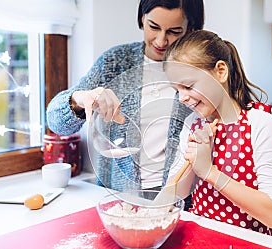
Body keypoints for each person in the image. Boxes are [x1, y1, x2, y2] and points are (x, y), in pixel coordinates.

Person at [46, 0, 205, 194]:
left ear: (190, 28)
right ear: (142, 19)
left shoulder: (200, 70)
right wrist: (79, 99)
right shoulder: (114, 62)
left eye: (174, 32)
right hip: (119, 196)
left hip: (181, 200)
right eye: (153, 27)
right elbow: (55, 123)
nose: (161, 41)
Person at [163, 30, 272, 233]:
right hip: (201, 237)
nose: (181, 98)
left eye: (187, 86)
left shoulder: (261, 124)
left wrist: (210, 172)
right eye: (177, 90)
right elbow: (174, 195)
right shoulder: (192, 123)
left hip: (245, 246)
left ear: (221, 71)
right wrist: (193, 163)